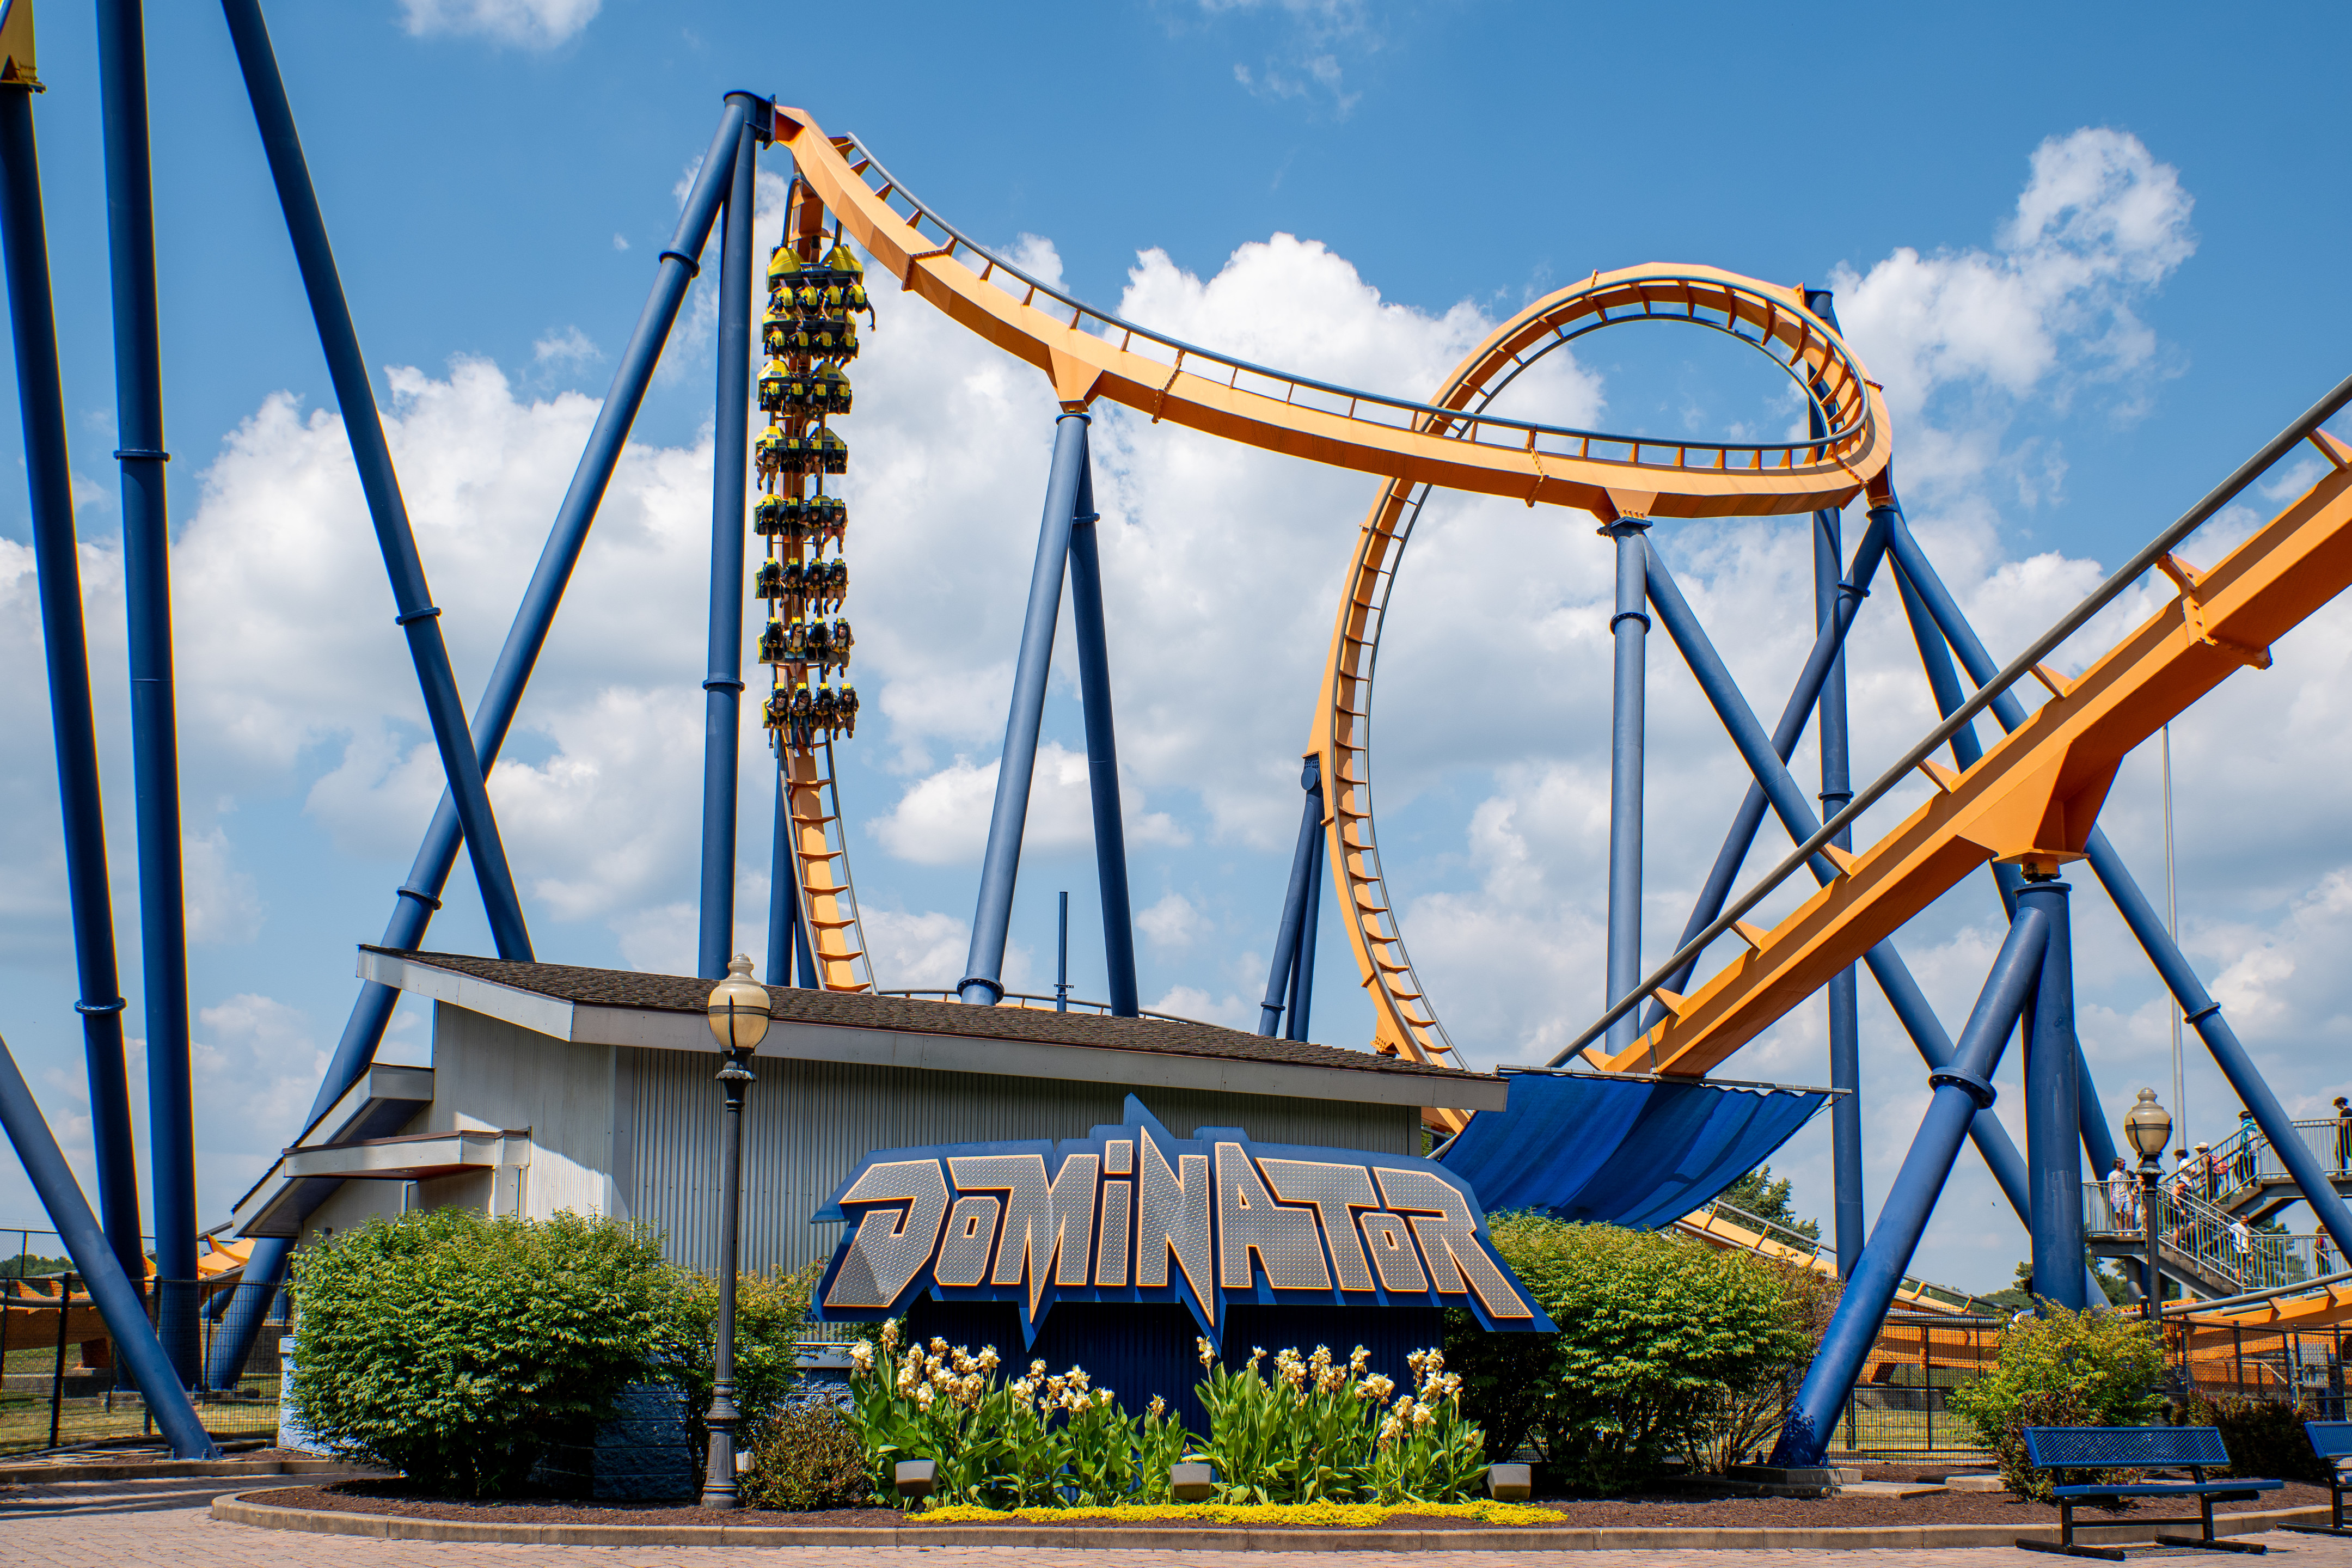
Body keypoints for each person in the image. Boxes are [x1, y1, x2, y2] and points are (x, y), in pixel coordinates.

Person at [2106, 1157, 2136, 1230]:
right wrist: (2111, 1197)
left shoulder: (2125, 1173)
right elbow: (2110, 1186)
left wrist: (2131, 1193)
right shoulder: (2112, 1174)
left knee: (2130, 1213)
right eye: (2123, 1164)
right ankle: (2120, 1231)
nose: (2124, 1165)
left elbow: (2130, 1183)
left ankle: (2126, 1228)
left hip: (2126, 1195)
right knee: (2119, 1215)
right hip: (2117, 1195)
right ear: (2118, 1164)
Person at [2335, 1096, 2351, 1174]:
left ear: (2341, 1104)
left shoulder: (2344, 1112)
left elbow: (2344, 1124)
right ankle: (2343, 1170)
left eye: (2337, 1105)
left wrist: (2335, 1123)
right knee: (2349, 1152)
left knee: (2339, 1152)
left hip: (2345, 1136)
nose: (2337, 1107)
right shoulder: (2350, 1111)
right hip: (2350, 1135)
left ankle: (2342, 1171)